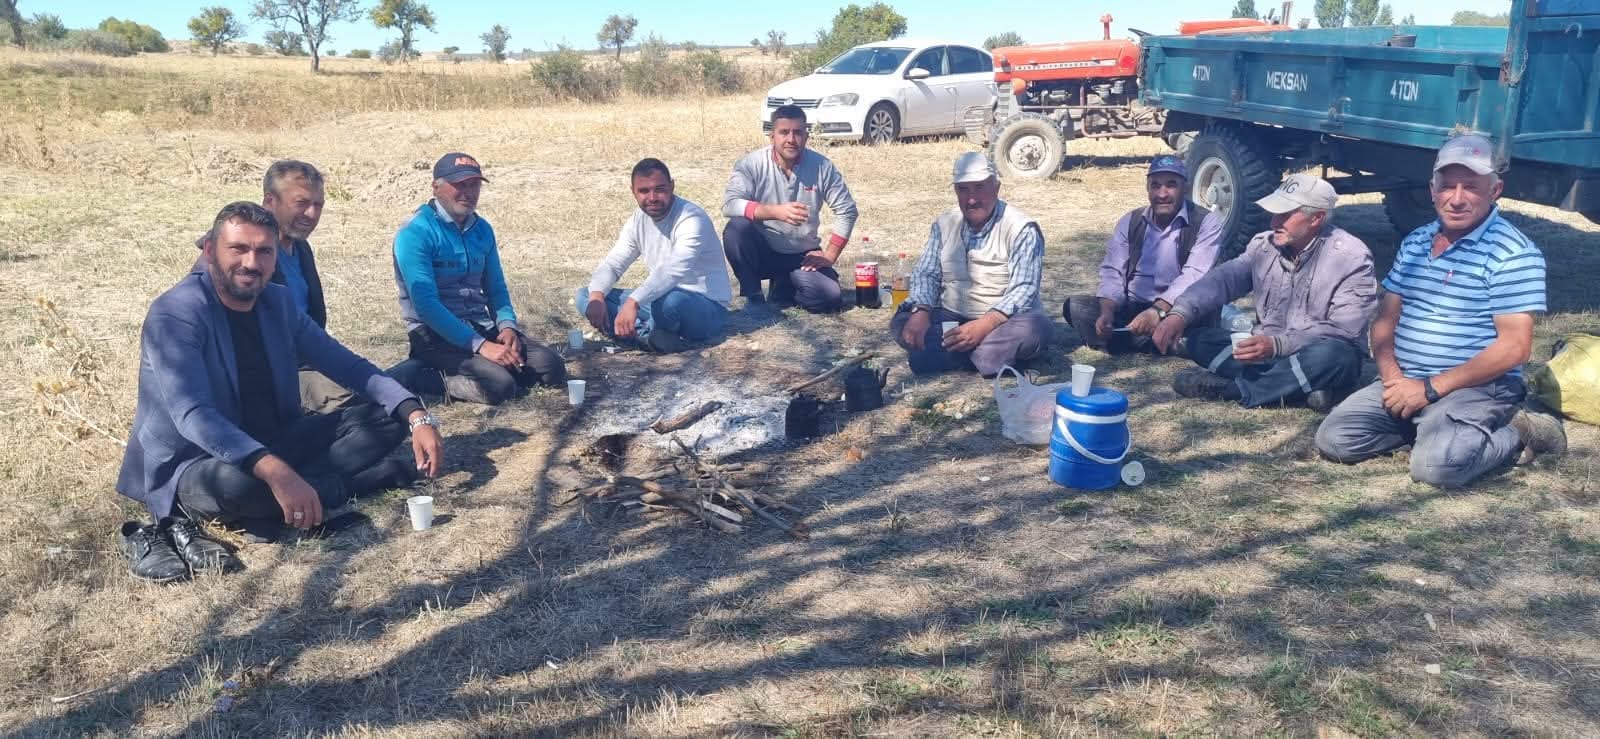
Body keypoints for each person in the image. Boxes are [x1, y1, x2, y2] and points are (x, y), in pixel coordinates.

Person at [117, 202, 445, 581]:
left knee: (384, 419)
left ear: (276, 258)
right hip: (198, 463)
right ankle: (350, 484)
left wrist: (415, 414)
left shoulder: (277, 301)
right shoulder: (176, 314)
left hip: (277, 439)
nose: (251, 263)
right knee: (239, 484)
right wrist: (277, 472)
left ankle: (302, 493)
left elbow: (346, 364)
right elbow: (192, 414)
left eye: (263, 251)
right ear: (210, 250)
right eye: (238, 249)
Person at [1315, 134, 1566, 487]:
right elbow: (1385, 320)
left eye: (1472, 187)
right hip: (1407, 380)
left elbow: (1515, 348)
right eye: (1447, 186)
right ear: (1432, 190)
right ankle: (1431, 430)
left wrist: (1430, 390)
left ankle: (1521, 431)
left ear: (1495, 191)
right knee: (1335, 440)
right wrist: (1393, 379)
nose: (1457, 198)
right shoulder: (1416, 242)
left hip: (1475, 388)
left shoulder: (1514, 254)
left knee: (1436, 470)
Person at [1151, 173, 1377, 411]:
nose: (1274, 222)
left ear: (1316, 218)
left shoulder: (1352, 257)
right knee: (1199, 338)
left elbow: (1343, 330)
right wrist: (1180, 312)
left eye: (1285, 215)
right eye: (1275, 213)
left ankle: (1235, 390)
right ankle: (1302, 389)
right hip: (1266, 351)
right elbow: (1223, 280)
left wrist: (1277, 344)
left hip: (1314, 353)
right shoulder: (1265, 245)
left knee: (1335, 357)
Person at [392, 152, 566, 405]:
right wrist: (482, 346)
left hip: (478, 324)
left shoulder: (482, 229)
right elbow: (426, 306)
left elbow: (495, 286)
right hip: (433, 334)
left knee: (551, 368)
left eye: (473, 185)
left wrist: (507, 326)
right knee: (500, 386)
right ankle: (419, 374)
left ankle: (487, 366)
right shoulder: (415, 232)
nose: (468, 192)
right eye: (459, 185)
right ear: (436, 187)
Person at [890, 152, 1051, 377]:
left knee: (1035, 329)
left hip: (1002, 321)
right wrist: (922, 311)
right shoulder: (944, 223)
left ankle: (950, 353)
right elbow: (927, 273)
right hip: (953, 314)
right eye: (963, 189)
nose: (972, 199)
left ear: (996, 188)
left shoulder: (1021, 228)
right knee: (903, 321)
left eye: (979, 187)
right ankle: (981, 357)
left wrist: (984, 325)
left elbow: (1024, 289)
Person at [1064, 154, 1222, 353]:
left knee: (1203, 324)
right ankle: (1160, 342)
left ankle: (1141, 340)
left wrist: (1157, 311)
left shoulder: (1206, 221)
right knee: (1076, 307)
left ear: (1185, 189)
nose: (1162, 194)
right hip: (1134, 309)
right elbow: (1113, 271)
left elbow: (1194, 274)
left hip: (1177, 309)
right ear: (1148, 189)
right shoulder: (1131, 221)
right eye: (1155, 186)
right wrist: (1107, 311)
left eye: (1171, 185)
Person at [578, 158, 732, 352]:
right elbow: (615, 262)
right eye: (644, 191)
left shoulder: (691, 218)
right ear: (633, 192)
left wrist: (634, 302)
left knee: (668, 302)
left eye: (659, 189)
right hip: (657, 299)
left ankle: (642, 333)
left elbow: (673, 270)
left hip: (703, 306)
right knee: (586, 296)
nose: (652, 197)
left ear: (672, 186)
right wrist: (598, 295)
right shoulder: (637, 220)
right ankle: (647, 336)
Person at [721, 105, 859, 313]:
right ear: (772, 136)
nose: (791, 139)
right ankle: (754, 297)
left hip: (802, 254)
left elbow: (847, 210)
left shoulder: (822, 166)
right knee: (736, 228)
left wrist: (829, 255)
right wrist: (774, 211)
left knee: (829, 299)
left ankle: (785, 285)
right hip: (763, 251)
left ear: (806, 135)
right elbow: (730, 204)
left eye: (798, 132)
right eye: (784, 132)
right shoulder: (751, 164)